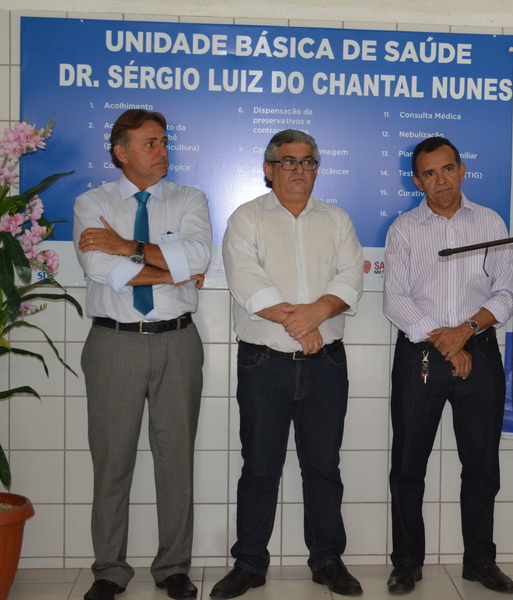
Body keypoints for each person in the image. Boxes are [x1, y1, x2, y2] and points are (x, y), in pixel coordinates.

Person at [211, 129, 364, 600]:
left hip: (326, 365)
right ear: (268, 169)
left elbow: (350, 278)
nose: (299, 169)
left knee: (323, 468)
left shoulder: (337, 220)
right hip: (264, 364)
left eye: (307, 161)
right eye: (288, 161)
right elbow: (246, 281)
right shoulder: (246, 218)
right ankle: (250, 563)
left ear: (317, 168)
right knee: (260, 467)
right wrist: (302, 323)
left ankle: (327, 560)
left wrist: (314, 315)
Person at [73, 109, 212, 600]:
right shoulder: (92, 203)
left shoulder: (189, 199)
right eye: (150, 143)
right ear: (121, 151)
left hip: (178, 340)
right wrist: (164, 264)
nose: (162, 151)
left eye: (164, 142)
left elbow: (197, 259)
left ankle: (174, 567)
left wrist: (126, 245)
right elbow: (100, 267)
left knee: (177, 460)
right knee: (112, 463)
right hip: (114, 344)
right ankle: (109, 570)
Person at [383, 136, 513, 594]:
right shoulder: (403, 229)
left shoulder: (491, 222)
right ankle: (406, 562)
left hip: (478, 349)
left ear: (462, 170)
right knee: (407, 464)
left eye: (447, 169)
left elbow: (504, 294)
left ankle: (479, 560)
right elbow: (395, 300)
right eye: (428, 173)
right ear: (416, 180)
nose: (440, 181)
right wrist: (447, 340)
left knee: (481, 464)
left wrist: (465, 332)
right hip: (420, 350)